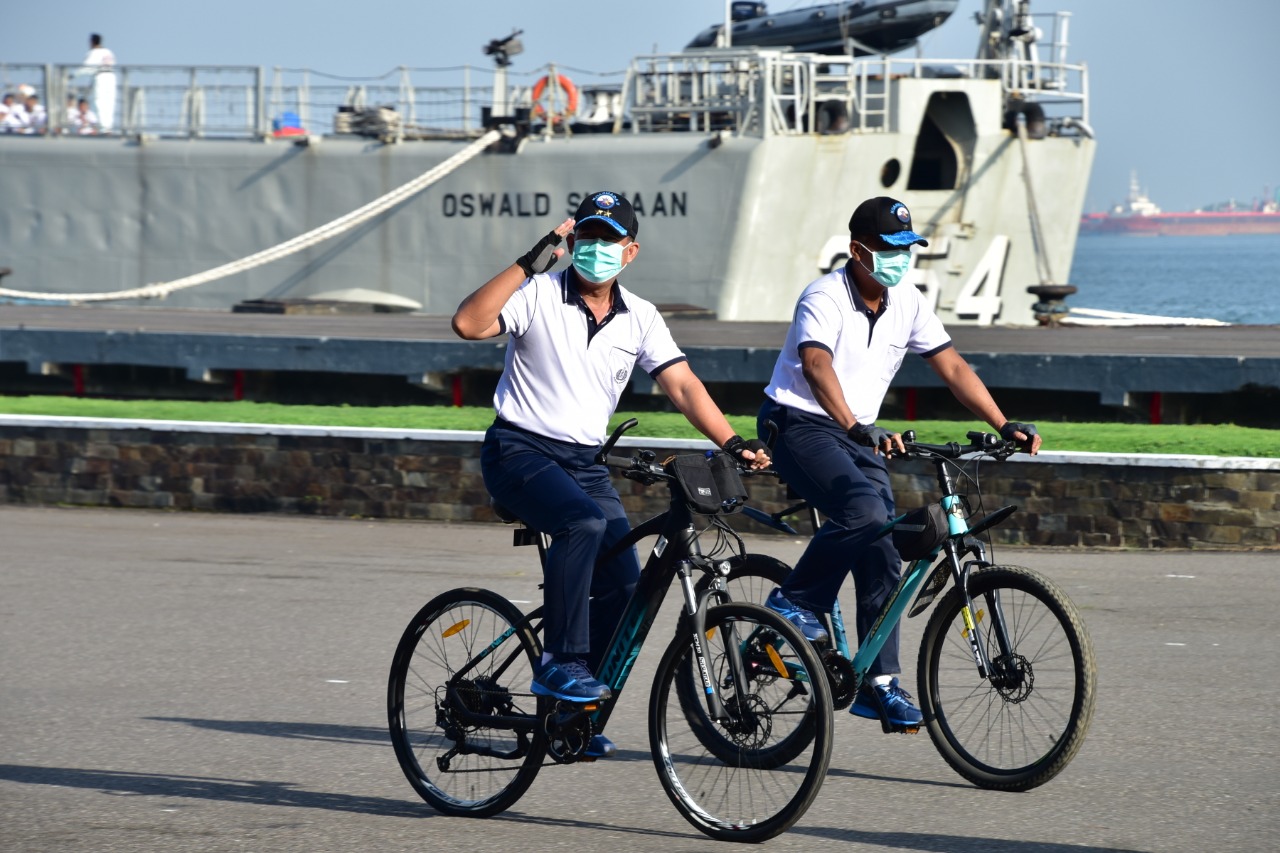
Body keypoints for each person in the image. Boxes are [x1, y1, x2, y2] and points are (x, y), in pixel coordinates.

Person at [452, 190, 769, 758]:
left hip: (586, 461)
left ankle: (572, 717)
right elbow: (468, 324)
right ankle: (560, 664)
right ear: (572, 243)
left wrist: (734, 442)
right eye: (586, 237)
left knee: (626, 585)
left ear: (630, 251)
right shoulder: (539, 295)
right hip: (519, 451)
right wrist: (530, 261)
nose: (595, 248)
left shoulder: (641, 317)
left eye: (608, 239)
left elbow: (683, 386)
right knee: (582, 525)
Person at [757, 196, 1041, 730]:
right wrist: (855, 427)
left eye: (906, 248)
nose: (898, 258)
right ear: (857, 250)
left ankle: (878, 684)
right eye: (888, 249)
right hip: (798, 423)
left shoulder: (907, 302)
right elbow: (816, 366)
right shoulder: (822, 296)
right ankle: (792, 601)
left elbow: (952, 366)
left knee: (884, 548)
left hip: (855, 433)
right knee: (862, 512)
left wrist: (1004, 423)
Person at [79, 33, 117, 133]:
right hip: (111, 77)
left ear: (92, 42)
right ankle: (108, 128)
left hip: (101, 77)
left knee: (100, 102)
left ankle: (104, 129)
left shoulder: (94, 52)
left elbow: (86, 68)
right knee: (110, 103)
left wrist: (72, 75)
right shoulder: (108, 52)